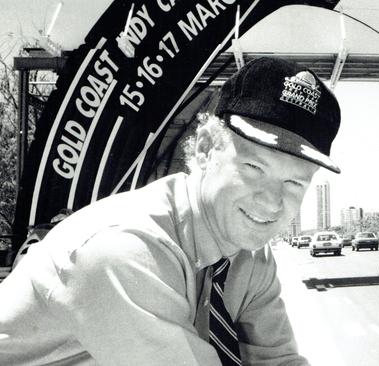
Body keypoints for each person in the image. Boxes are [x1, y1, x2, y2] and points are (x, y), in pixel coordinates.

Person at [0, 57, 341, 365]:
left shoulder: (249, 257)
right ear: (207, 148)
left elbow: (278, 361)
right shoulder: (125, 250)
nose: (271, 202)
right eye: (254, 167)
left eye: (295, 183)